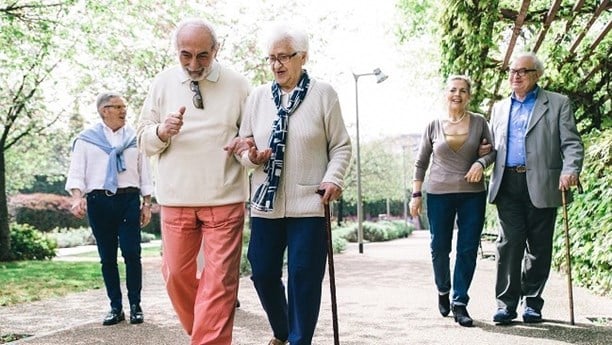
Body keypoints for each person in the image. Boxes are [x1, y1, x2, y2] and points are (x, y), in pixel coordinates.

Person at [229, 23, 351, 345]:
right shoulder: (257, 98)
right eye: (271, 58)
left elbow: (340, 146)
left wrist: (332, 178)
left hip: (310, 202)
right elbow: (244, 145)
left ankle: (299, 341)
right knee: (263, 271)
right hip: (266, 204)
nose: (277, 65)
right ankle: (283, 331)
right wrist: (252, 157)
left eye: (284, 57)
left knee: (303, 277)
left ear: (303, 57)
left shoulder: (323, 94)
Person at [136, 18, 250, 345]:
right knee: (174, 276)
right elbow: (143, 140)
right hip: (176, 198)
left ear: (216, 50)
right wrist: (161, 132)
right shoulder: (162, 83)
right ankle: (204, 331)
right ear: (177, 51)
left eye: (202, 55)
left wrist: (247, 153)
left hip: (225, 198)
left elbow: (248, 140)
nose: (193, 64)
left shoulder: (238, 85)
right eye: (185, 55)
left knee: (219, 284)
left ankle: (208, 339)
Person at [488, 52, 584, 325]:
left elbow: (572, 143)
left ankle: (532, 302)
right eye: (512, 71)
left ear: (537, 75)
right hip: (507, 182)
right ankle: (505, 304)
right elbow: (493, 146)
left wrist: (570, 169)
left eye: (523, 71)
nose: (515, 76)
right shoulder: (499, 108)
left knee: (539, 247)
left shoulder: (557, 103)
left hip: (544, 182)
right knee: (508, 245)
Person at [409, 75, 496, 327]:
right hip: (438, 194)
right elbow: (421, 162)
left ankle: (460, 303)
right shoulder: (433, 125)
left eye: (463, 91)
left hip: (472, 194)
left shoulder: (479, 122)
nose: (457, 94)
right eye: (453, 90)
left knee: (467, 249)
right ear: (446, 93)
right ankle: (443, 289)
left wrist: (480, 162)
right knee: (439, 248)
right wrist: (416, 195)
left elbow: (491, 152)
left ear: (469, 95)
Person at [66, 92, 153, 326]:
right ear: (104, 110)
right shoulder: (86, 139)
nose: (124, 111)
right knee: (107, 258)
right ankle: (116, 307)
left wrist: (147, 203)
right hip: (99, 201)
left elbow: (145, 172)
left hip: (128, 200)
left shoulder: (136, 137)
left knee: (132, 253)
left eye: (125, 106)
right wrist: (76, 198)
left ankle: (136, 305)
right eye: (118, 107)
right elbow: (77, 172)